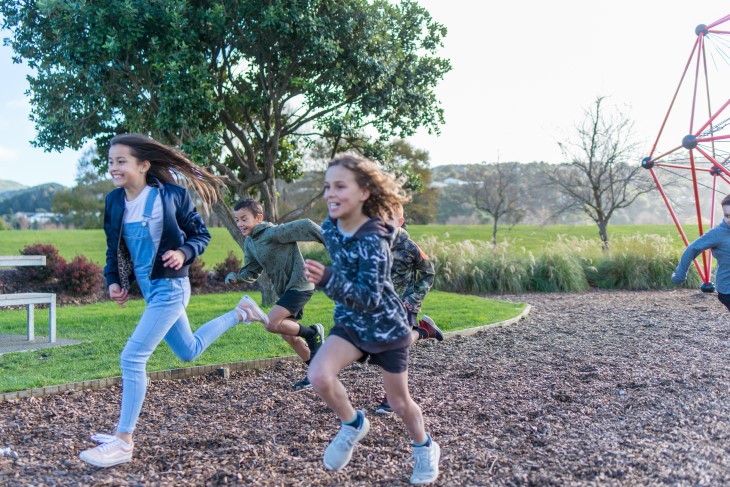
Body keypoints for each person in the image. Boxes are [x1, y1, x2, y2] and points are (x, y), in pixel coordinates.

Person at [79, 134, 269, 468]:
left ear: (143, 165)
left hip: (171, 288)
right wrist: (113, 282)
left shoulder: (172, 196)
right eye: (111, 162)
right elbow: (114, 249)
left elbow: (201, 235)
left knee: (132, 358)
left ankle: (124, 441)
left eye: (121, 161)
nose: (113, 167)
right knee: (188, 350)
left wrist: (183, 252)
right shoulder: (114, 202)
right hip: (151, 289)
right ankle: (241, 312)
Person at [303, 154, 441, 485]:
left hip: (386, 326)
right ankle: (353, 424)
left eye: (340, 186)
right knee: (319, 376)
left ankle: (425, 448)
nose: (329, 194)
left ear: (364, 192)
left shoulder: (374, 239)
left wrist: (327, 280)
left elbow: (371, 295)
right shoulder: (330, 228)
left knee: (399, 402)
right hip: (351, 323)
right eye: (327, 186)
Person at [224, 199, 326, 390]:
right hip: (287, 290)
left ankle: (313, 333)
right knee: (289, 336)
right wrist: (236, 278)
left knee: (271, 323)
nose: (239, 224)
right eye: (237, 220)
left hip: (301, 283)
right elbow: (252, 272)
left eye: (244, 219)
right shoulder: (250, 243)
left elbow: (305, 225)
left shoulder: (273, 233)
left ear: (258, 218)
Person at [375, 202, 443, 415]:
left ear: (400, 222)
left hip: (405, 303)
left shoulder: (409, 246)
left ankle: (392, 398)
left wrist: (414, 297)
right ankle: (424, 331)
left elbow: (428, 272)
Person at [672, 193, 730, 312]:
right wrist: (679, 276)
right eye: (727, 215)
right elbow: (692, 249)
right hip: (728, 290)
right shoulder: (718, 234)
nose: (729, 220)